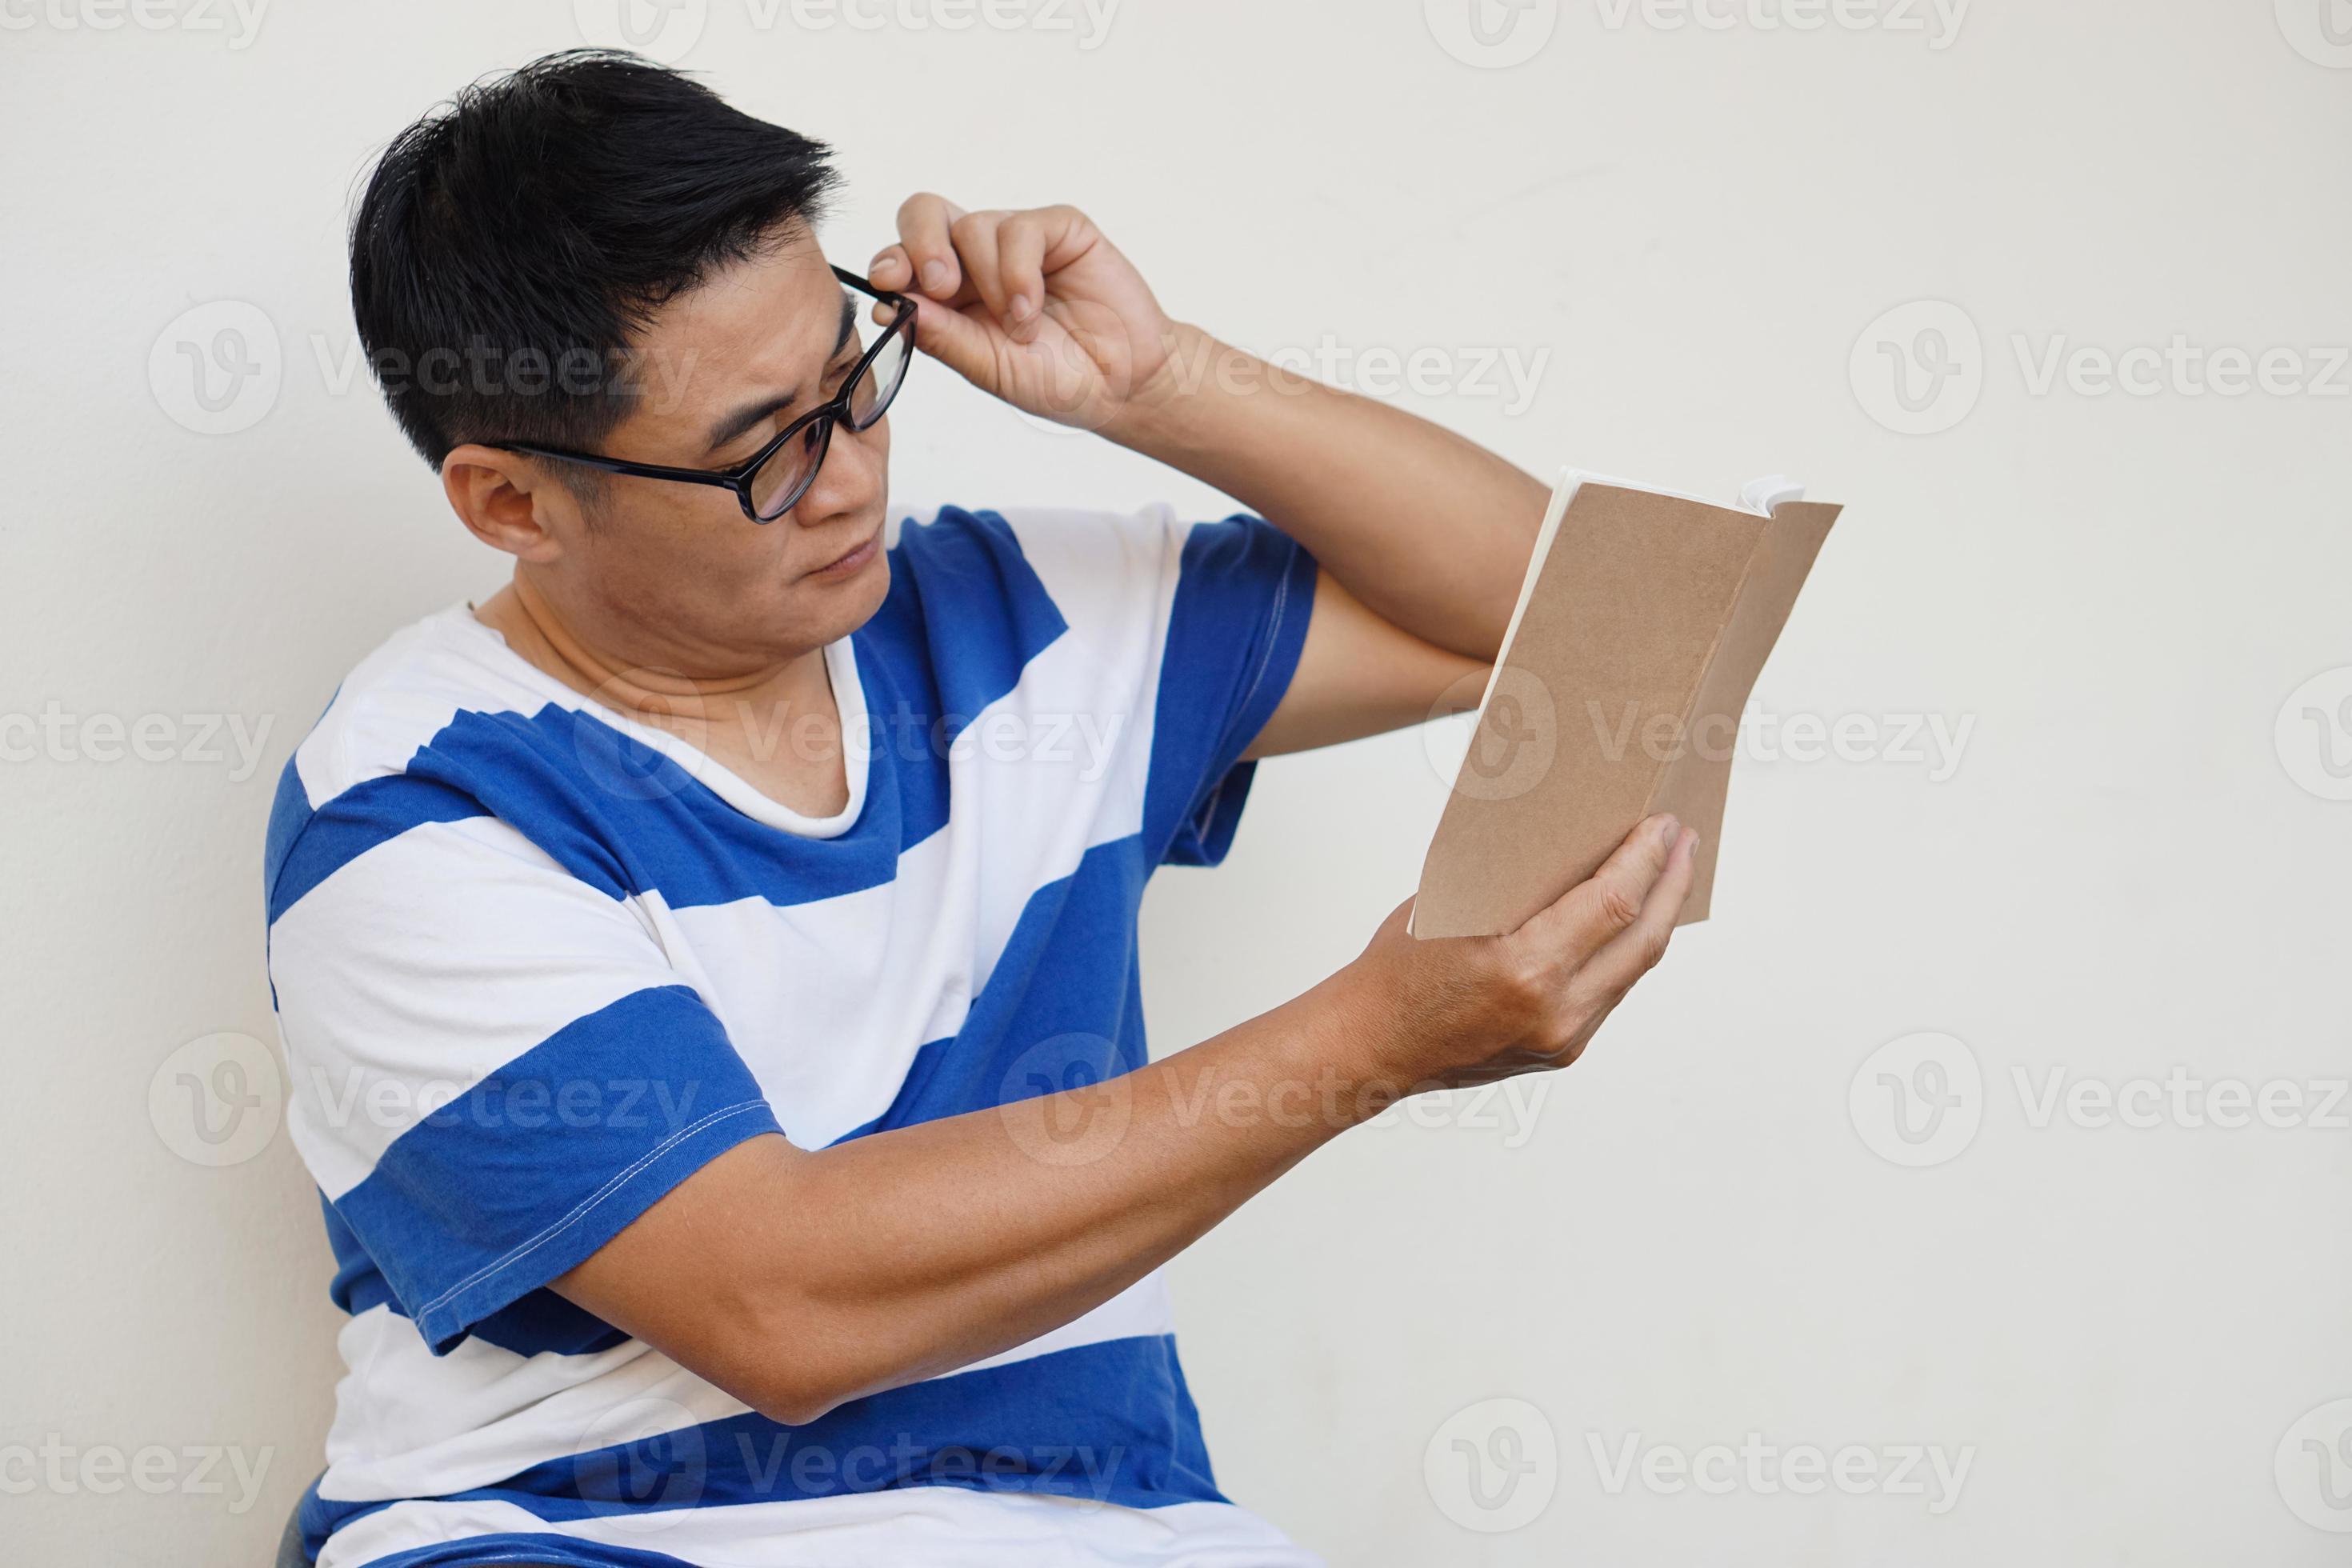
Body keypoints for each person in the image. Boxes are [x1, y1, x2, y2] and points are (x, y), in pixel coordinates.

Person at [263, 48, 1699, 1568]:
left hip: (1087, 1526)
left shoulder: (1021, 621)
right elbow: (784, 1306)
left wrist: (1162, 385)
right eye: (765, 449)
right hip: (574, 1540)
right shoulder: (420, 810)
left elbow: (1551, 626)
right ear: (514, 503)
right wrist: (1374, 1037)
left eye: (856, 381)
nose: (850, 481)